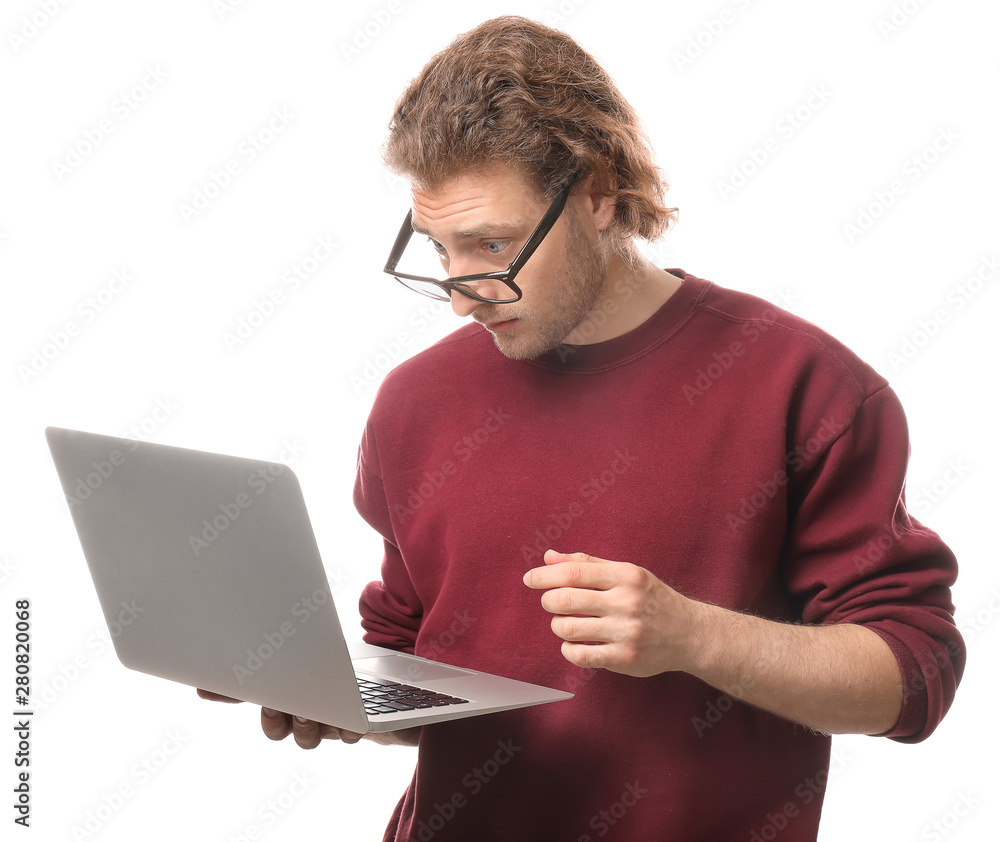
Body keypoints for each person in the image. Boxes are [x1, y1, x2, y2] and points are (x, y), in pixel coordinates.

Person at [203, 15, 965, 841]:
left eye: (490, 244)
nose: (462, 295)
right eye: (440, 249)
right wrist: (335, 700)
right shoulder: (413, 402)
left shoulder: (807, 387)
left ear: (598, 193)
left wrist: (694, 635)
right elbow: (416, 669)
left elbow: (912, 678)